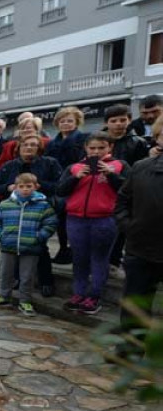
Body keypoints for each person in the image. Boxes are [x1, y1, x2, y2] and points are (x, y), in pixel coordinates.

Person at [56, 132, 129, 316]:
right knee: (79, 257)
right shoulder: (75, 167)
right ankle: (79, 293)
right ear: (86, 148)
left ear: (110, 147)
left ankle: (94, 296)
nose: (96, 152)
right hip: (76, 218)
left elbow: (128, 189)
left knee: (99, 258)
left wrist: (111, 175)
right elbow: (61, 190)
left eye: (101, 148)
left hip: (105, 219)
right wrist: (76, 177)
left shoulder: (120, 165)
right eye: (92, 148)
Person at [0, 135, 62, 296]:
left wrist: (36, 186)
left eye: (33, 145)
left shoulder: (49, 163)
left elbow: (59, 186)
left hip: (37, 211)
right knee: (13, 250)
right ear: (19, 148)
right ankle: (15, 280)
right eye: (25, 145)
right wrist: (7, 188)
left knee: (40, 249)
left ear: (39, 148)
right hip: (13, 212)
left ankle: (46, 281)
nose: (29, 148)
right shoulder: (9, 166)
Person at [115, 121, 163, 356]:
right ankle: (130, 350)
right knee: (135, 305)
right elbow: (123, 200)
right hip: (140, 247)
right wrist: (128, 226)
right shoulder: (142, 167)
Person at [0, 173, 58, 316]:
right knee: (6, 272)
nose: (25, 189)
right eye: (21, 186)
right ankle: (4, 296)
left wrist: (39, 237)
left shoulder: (43, 205)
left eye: (28, 186)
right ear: (15, 187)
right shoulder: (5, 204)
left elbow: (50, 223)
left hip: (31, 247)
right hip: (8, 245)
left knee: (27, 275)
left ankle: (25, 300)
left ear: (35, 187)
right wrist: (0, 236)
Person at [103, 104, 148, 278]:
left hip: (126, 190)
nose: (119, 124)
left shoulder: (137, 142)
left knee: (121, 228)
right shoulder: (100, 140)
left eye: (123, 120)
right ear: (107, 122)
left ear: (129, 120)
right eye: (114, 121)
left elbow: (140, 169)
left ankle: (114, 261)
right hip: (103, 189)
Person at [45, 106, 88, 265]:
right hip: (57, 183)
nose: (66, 124)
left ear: (77, 122)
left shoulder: (83, 139)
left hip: (75, 181)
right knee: (60, 218)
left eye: (70, 121)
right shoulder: (52, 143)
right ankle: (63, 248)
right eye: (62, 121)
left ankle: (76, 250)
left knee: (74, 218)